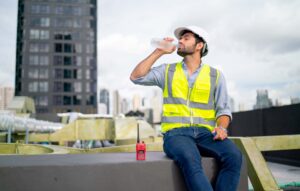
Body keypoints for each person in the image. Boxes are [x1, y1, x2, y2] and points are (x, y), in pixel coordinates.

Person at [130, 26, 242, 191]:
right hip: (176, 134)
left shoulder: (215, 75)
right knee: (190, 158)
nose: (180, 41)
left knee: (234, 156)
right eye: (180, 38)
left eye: (186, 38)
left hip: (206, 134)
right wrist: (158, 53)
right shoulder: (168, 71)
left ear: (199, 46)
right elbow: (136, 77)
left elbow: (223, 109)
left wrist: (221, 127)